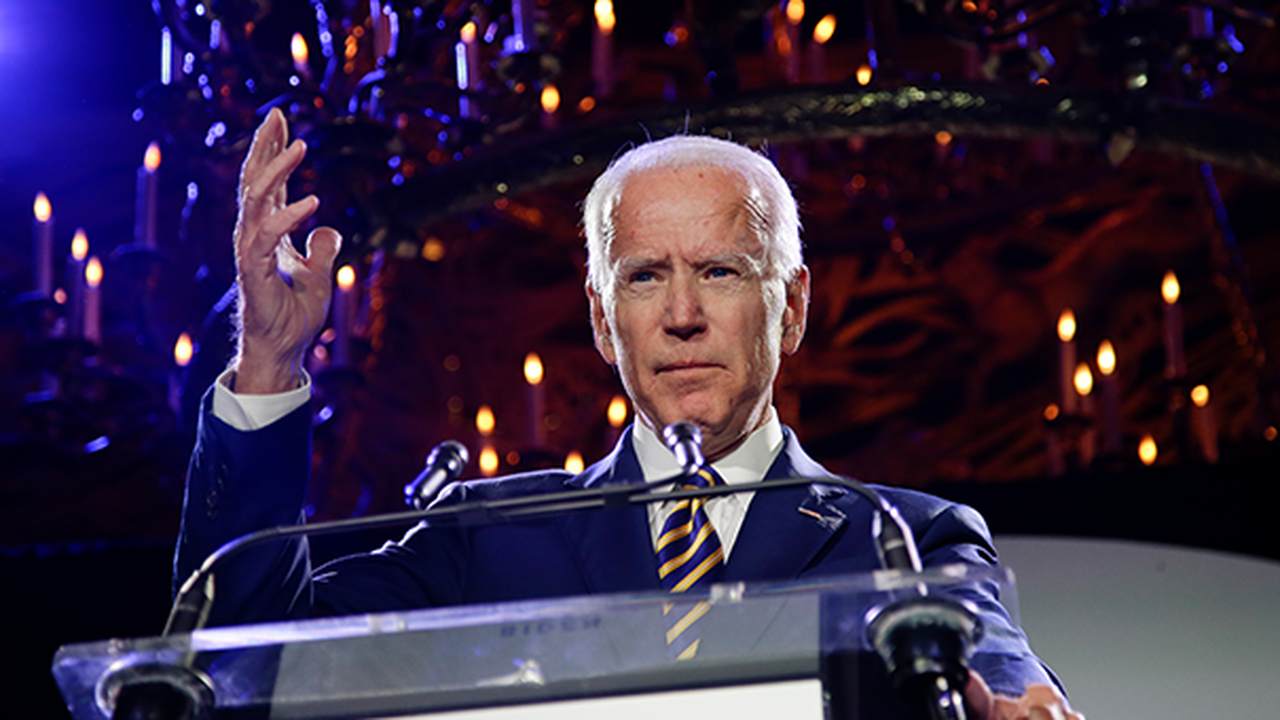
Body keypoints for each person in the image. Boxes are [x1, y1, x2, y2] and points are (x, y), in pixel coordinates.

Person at [176, 108, 1082, 719]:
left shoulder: (903, 541)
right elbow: (246, 666)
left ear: (792, 308)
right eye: (645, 277)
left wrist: (1016, 703)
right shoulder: (488, 537)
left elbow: (999, 671)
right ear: (604, 321)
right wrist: (270, 362)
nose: (682, 315)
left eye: (720, 271)